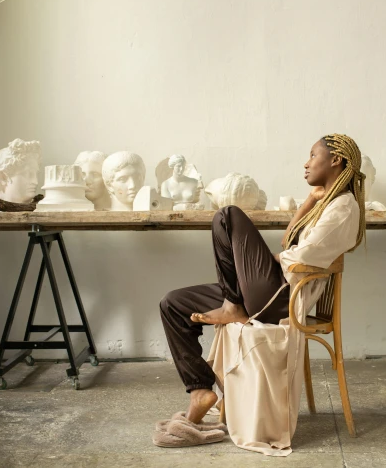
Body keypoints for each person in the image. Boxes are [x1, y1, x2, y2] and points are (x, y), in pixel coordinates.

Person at [156, 134, 366, 450]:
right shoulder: (326, 203)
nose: (306, 163)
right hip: (267, 291)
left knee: (228, 216)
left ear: (336, 159)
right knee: (173, 303)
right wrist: (310, 201)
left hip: (282, 299)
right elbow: (288, 241)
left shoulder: (344, 206)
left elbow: (302, 257)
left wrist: (265, 262)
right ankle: (201, 389)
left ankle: (232, 304)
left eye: (312, 155)